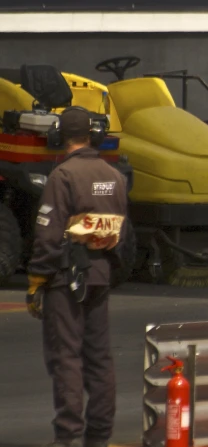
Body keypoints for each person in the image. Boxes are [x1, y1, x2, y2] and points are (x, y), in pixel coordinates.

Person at [26, 106, 131, 447]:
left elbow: (48, 234)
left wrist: (37, 279)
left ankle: (68, 436)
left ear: (59, 137)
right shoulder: (114, 176)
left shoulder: (63, 176)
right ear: (92, 136)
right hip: (100, 275)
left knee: (66, 357)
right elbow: (121, 232)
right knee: (99, 357)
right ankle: (99, 435)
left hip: (65, 278)